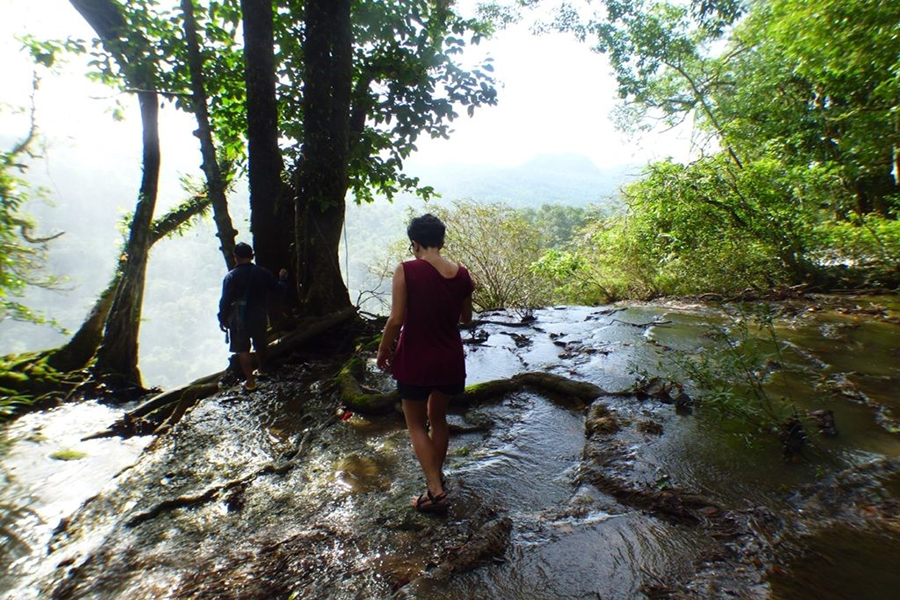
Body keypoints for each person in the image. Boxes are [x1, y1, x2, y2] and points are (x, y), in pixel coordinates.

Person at [376, 214, 474, 513]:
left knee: (416, 424)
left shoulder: (406, 270)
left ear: (414, 243)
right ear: (441, 241)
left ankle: (434, 490)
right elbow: (466, 318)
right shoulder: (462, 273)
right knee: (439, 417)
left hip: (415, 358)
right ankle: (436, 479)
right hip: (449, 358)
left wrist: (383, 350)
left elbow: (395, 320)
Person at [218, 242, 288, 392]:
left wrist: (222, 319)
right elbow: (278, 291)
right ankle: (262, 369)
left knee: (243, 350)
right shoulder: (262, 273)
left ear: (235, 257)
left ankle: (250, 382)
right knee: (260, 344)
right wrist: (283, 279)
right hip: (259, 314)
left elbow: (224, 301)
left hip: (238, 318)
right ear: (252, 256)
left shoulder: (230, 277)